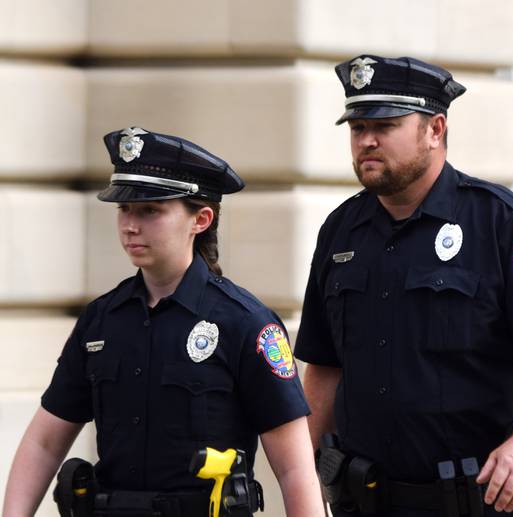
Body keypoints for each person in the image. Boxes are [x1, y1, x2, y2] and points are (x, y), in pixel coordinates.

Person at [294, 55, 513, 517]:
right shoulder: (341, 230)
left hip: (479, 499)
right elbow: (323, 367)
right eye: (357, 129)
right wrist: (302, 476)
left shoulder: (498, 219)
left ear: (435, 130)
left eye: (386, 126)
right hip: (367, 499)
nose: (367, 141)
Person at [3, 128, 325, 517]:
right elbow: (45, 442)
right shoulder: (102, 321)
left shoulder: (246, 323)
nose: (130, 225)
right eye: (124, 209)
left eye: (150, 210)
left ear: (200, 220)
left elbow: (294, 468)